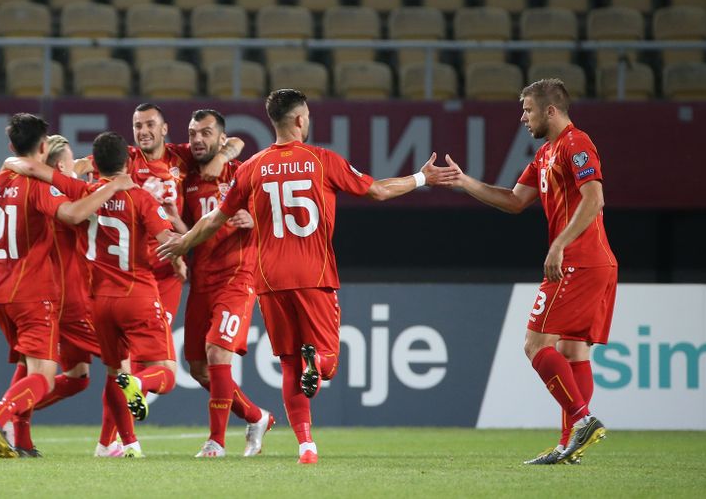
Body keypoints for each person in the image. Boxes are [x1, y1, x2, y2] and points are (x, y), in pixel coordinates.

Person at [157, 89, 459, 463]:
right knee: (324, 363)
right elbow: (378, 191)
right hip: (313, 274)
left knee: (288, 364)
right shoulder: (321, 160)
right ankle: (315, 362)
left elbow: (213, 218)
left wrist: (183, 242)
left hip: (269, 281)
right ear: (300, 119)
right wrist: (420, 178)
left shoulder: (252, 167)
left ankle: (306, 446)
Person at [440, 78, 616, 465]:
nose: (523, 118)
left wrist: (559, 244)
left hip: (580, 261)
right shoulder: (546, 154)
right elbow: (515, 200)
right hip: (588, 261)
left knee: (535, 345)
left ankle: (582, 419)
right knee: (572, 350)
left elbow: (595, 198)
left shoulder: (576, 143)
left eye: (528, 110)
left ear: (551, 110)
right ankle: (570, 445)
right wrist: (465, 182)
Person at [0, 114, 134, 459]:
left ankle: (23, 436)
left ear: (12, 146)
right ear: (44, 149)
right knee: (68, 371)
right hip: (45, 294)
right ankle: (4, 418)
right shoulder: (41, 189)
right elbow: (74, 214)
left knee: (62, 373)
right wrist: (113, 186)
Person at [4, 135, 124, 458]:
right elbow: (79, 211)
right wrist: (107, 186)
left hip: (49, 292)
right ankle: (108, 443)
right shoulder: (66, 197)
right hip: (72, 298)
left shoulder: (37, 190)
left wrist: (78, 168)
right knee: (122, 361)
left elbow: (49, 171)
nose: (79, 166)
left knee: (76, 376)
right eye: (71, 162)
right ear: (59, 166)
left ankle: (16, 418)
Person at [180, 109, 275, 458]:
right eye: (192, 134)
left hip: (237, 276)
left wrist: (256, 219)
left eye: (205, 133)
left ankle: (215, 442)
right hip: (201, 279)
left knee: (217, 351)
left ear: (221, 139)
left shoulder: (245, 173)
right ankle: (255, 416)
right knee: (198, 368)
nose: (197, 140)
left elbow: (276, 216)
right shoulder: (185, 176)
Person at [127, 103, 244, 324]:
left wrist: (220, 159)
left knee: (155, 342)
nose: (143, 131)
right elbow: (91, 162)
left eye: (150, 124)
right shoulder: (128, 160)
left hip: (169, 270)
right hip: (134, 267)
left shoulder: (181, 157)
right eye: (137, 125)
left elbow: (236, 142)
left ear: (164, 129)